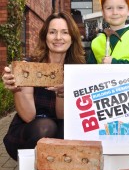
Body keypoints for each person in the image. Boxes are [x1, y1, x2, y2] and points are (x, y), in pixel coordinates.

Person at [2, 11, 85, 161]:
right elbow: (28, 116)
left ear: (72, 38)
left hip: (62, 125)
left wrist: (62, 93)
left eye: (64, 32)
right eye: (52, 32)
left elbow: (61, 116)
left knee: (68, 131)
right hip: (31, 129)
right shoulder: (30, 66)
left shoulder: (78, 69)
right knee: (46, 127)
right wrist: (17, 89)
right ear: (45, 37)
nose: (58, 37)